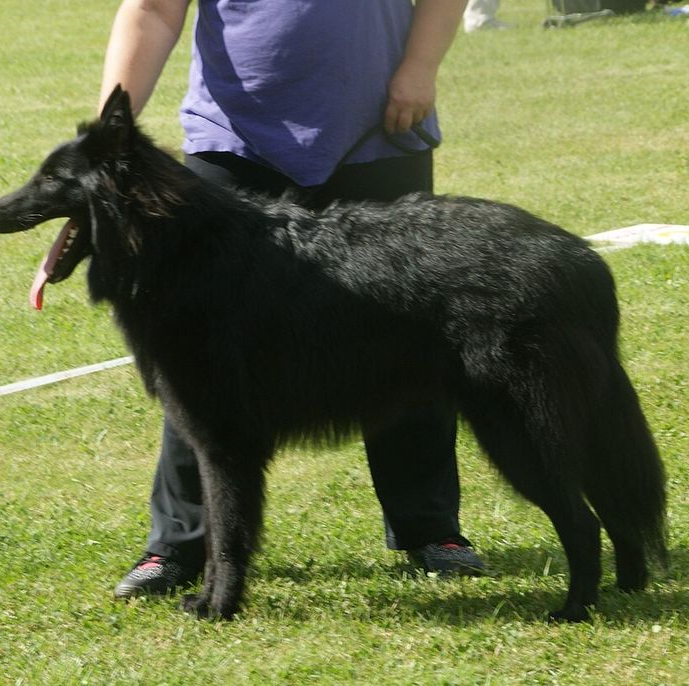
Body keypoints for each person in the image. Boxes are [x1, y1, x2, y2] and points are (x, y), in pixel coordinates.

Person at [96, 0, 486, 599]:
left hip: (381, 130)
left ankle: (430, 529)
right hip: (233, 145)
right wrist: (108, 132)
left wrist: (420, 65)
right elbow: (151, 9)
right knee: (196, 359)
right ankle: (177, 544)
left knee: (408, 337)